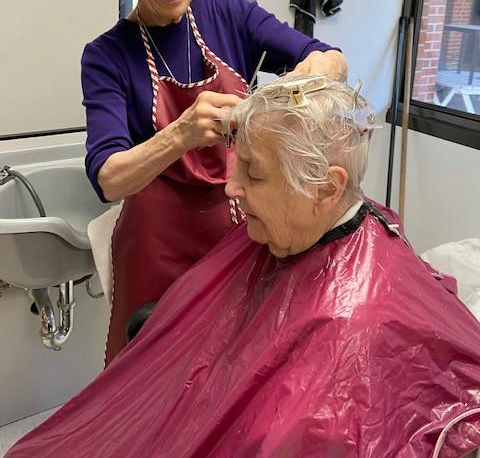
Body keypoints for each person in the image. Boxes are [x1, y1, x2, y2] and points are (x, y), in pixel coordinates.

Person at [8, 75, 480, 457]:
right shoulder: (288, 232)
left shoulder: (348, 323)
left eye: (253, 172)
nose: (231, 188)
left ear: (325, 188)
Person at [82, 0, 348, 362]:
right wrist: (181, 134)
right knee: (152, 378)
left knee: (229, 372)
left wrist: (295, 87)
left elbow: (329, 57)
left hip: (239, 231)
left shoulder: (232, 16)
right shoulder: (106, 55)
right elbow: (108, 178)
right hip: (155, 246)